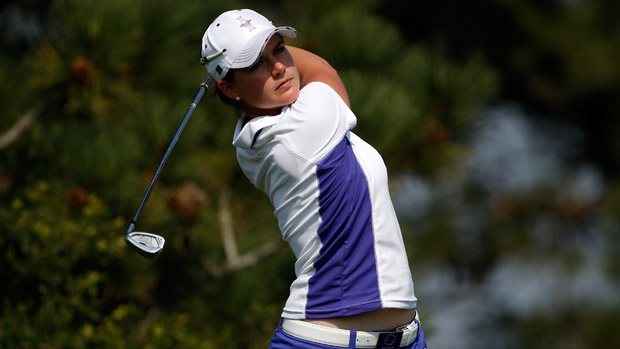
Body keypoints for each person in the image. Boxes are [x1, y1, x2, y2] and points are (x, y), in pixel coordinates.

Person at [200, 9, 427, 349]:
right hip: (325, 343)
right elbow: (322, 69)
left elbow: (289, 73)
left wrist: (253, 53)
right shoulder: (302, 128)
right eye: (255, 65)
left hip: (403, 339)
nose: (278, 67)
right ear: (229, 88)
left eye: (279, 49)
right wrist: (270, 47)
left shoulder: (251, 140)